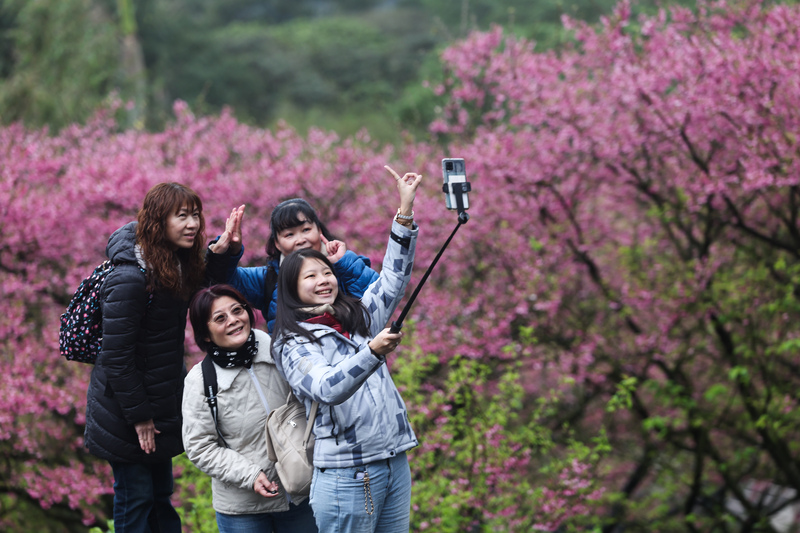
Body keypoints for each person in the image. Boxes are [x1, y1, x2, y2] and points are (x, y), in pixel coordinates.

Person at [271, 166, 422, 533]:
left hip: (393, 459)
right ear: (292, 288)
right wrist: (370, 352)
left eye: (326, 273)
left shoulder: (357, 318)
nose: (323, 281)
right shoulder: (291, 342)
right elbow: (326, 387)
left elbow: (393, 279)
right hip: (347, 474)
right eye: (310, 277)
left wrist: (404, 212)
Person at [84, 182, 207, 533]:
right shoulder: (131, 278)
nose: (192, 224)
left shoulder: (175, 266)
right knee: (135, 500)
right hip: (125, 412)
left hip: (158, 403)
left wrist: (227, 250)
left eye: (195, 215)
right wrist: (139, 417)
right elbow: (116, 356)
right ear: (158, 222)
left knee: (160, 500)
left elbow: (211, 278)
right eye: (181, 216)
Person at [182, 284, 318, 533]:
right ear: (206, 334)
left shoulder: (278, 349)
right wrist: (250, 475)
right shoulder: (200, 380)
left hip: (302, 493)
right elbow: (199, 446)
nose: (233, 321)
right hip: (243, 510)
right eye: (220, 318)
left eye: (237, 310)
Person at [206, 197, 378, 333]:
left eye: (306, 230)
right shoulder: (269, 278)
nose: (300, 240)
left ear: (319, 230)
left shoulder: (344, 266)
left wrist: (344, 263)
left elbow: (380, 296)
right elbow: (225, 281)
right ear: (278, 244)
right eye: (289, 235)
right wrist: (228, 252)